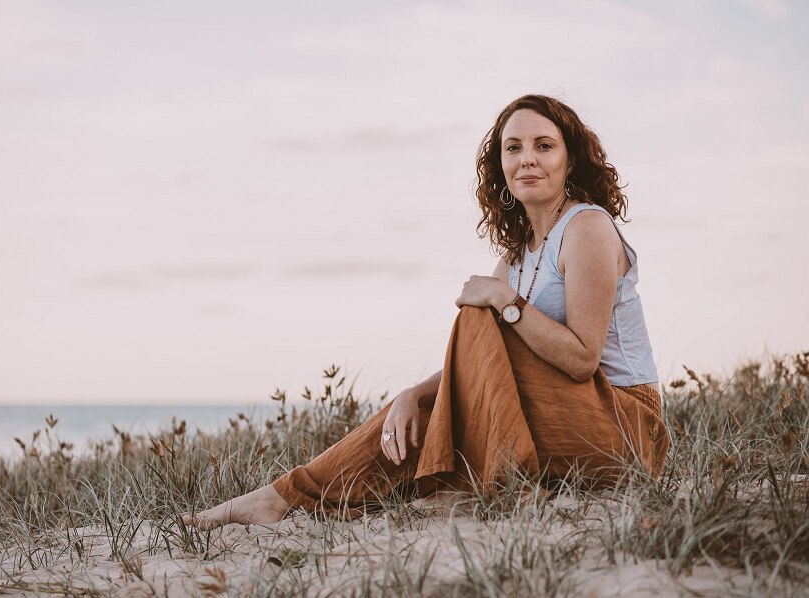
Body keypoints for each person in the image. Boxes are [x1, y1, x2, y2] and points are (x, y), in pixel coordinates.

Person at [183, 94, 669, 530]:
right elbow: (483, 364)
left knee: (478, 316)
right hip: (555, 417)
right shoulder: (516, 257)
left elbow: (583, 359)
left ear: (570, 159)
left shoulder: (586, 228)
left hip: (624, 427)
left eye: (544, 146)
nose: (527, 159)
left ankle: (462, 485)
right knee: (448, 375)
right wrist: (412, 395)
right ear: (499, 164)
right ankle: (285, 497)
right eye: (513, 148)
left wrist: (507, 302)